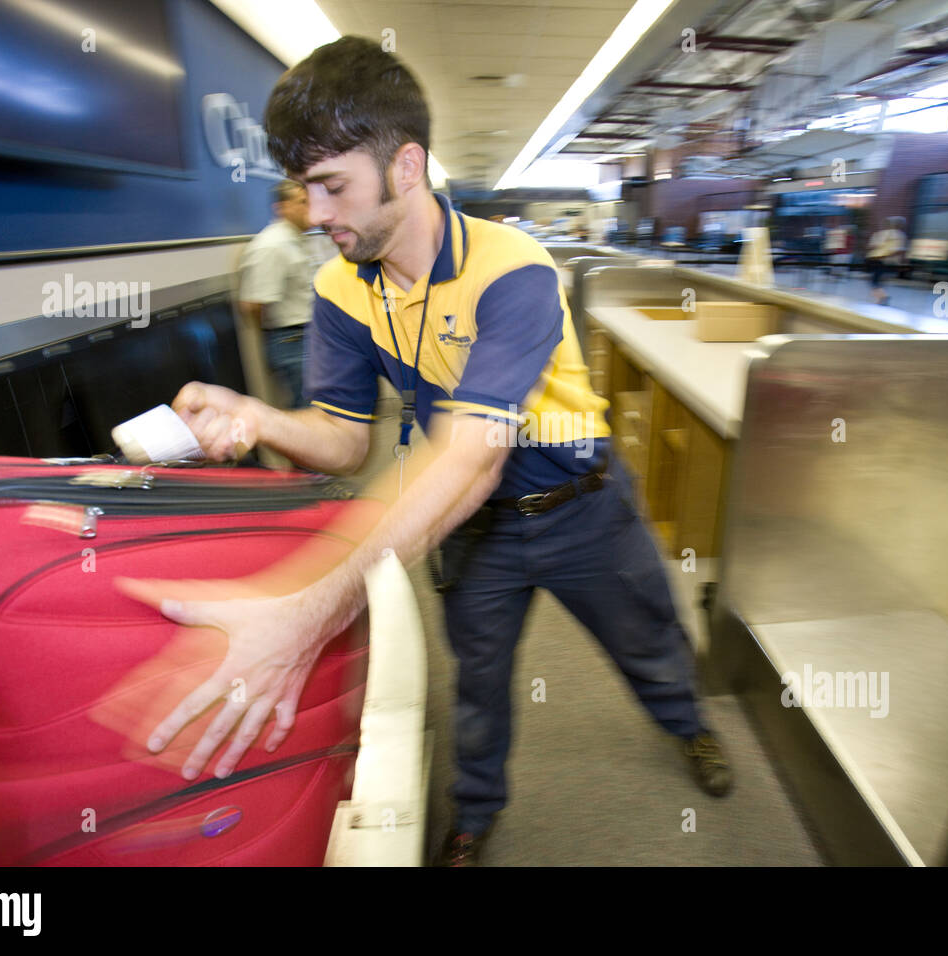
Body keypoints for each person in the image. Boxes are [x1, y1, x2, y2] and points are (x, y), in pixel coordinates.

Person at [118, 35, 731, 868]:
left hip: (582, 506)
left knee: (650, 643)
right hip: (477, 534)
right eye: (307, 188)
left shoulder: (513, 269)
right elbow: (343, 438)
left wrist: (309, 607)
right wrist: (257, 416)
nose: (319, 213)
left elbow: (471, 455)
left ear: (405, 167)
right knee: (477, 687)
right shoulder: (341, 285)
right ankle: (474, 818)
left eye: (334, 186)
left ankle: (688, 726)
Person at [238, 180, 335, 408]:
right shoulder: (272, 246)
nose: (310, 208)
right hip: (293, 342)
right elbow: (252, 304)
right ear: (282, 208)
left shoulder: (297, 240)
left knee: (323, 408)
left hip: (310, 337)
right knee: (310, 410)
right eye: (302, 202)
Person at [865, 216, 907, 305]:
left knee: (874, 281)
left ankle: (882, 297)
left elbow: (874, 245)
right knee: (878, 280)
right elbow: (899, 250)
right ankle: (881, 298)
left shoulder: (886, 233)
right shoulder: (902, 235)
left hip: (879, 259)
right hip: (890, 261)